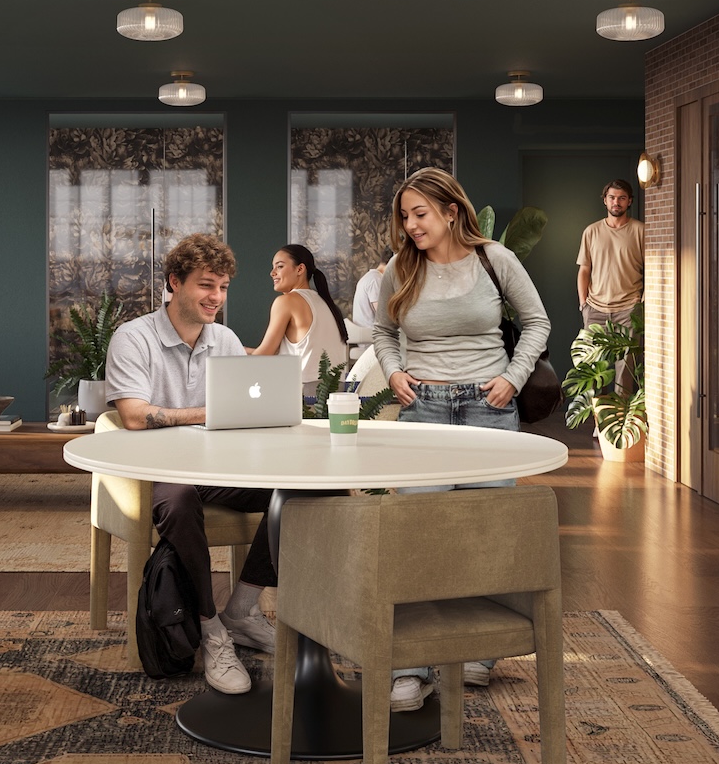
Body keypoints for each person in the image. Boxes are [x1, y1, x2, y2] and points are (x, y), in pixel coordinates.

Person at [371, 167, 551, 709]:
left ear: (451, 211)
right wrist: (395, 371)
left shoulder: (496, 259)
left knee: (485, 533)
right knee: (416, 537)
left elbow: (537, 321)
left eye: (419, 214)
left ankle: (478, 651)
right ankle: (410, 664)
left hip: (488, 409)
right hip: (422, 408)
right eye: (404, 216)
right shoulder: (400, 268)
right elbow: (383, 331)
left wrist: (512, 378)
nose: (411, 225)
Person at [104, 233, 277, 695]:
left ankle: (242, 610)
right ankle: (210, 628)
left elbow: (244, 411)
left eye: (222, 288)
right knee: (179, 501)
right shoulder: (133, 338)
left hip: (220, 470)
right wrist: (213, 412)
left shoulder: (225, 339)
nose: (216, 298)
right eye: (206, 285)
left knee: (305, 488)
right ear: (174, 283)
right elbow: (135, 418)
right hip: (159, 474)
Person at [250, 243, 352, 389]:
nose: (272, 273)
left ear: (300, 269)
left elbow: (264, 355)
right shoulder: (325, 303)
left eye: (279, 266)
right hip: (335, 395)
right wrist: (242, 350)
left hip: (303, 397)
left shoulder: (286, 301)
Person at [577, 178, 646, 387]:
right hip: (595, 308)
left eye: (622, 198)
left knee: (625, 371)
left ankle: (618, 418)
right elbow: (584, 269)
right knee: (591, 368)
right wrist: (583, 305)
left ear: (630, 201)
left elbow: (651, 269)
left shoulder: (640, 231)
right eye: (612, 198)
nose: (617, 202)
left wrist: (641, 303)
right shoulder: (591, 231)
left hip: (628, 309)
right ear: (605, 201)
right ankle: (597, 418)